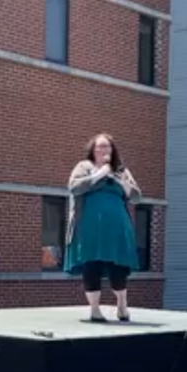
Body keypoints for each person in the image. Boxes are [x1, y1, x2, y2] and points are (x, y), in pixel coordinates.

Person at [64, 133, 142, 322]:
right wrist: (99, 175)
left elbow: (137, 196)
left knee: (118, 265)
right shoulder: (83, 167)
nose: (103, 150)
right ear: (92, 150)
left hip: (117, 226)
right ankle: (95, 310)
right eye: (99, 147)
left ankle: (122, 305)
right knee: (91, 264)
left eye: (107, 147)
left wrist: (119, 180)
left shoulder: (121, 170)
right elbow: (73, 187)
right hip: (89, 226)